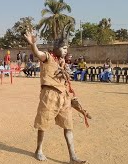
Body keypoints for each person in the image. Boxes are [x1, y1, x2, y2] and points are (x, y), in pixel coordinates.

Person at [24, 30, 86, 164]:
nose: (66, 50)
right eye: (64, 48)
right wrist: (33, 44)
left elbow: (66, 79)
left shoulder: (63, 62)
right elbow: (37, 53)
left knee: (68, 126)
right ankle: (39, 150)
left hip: (63, 96)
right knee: (43, 124)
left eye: (66, 48)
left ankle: (73, 156)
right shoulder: (47, 57)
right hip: (49, 95)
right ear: (56, 48)